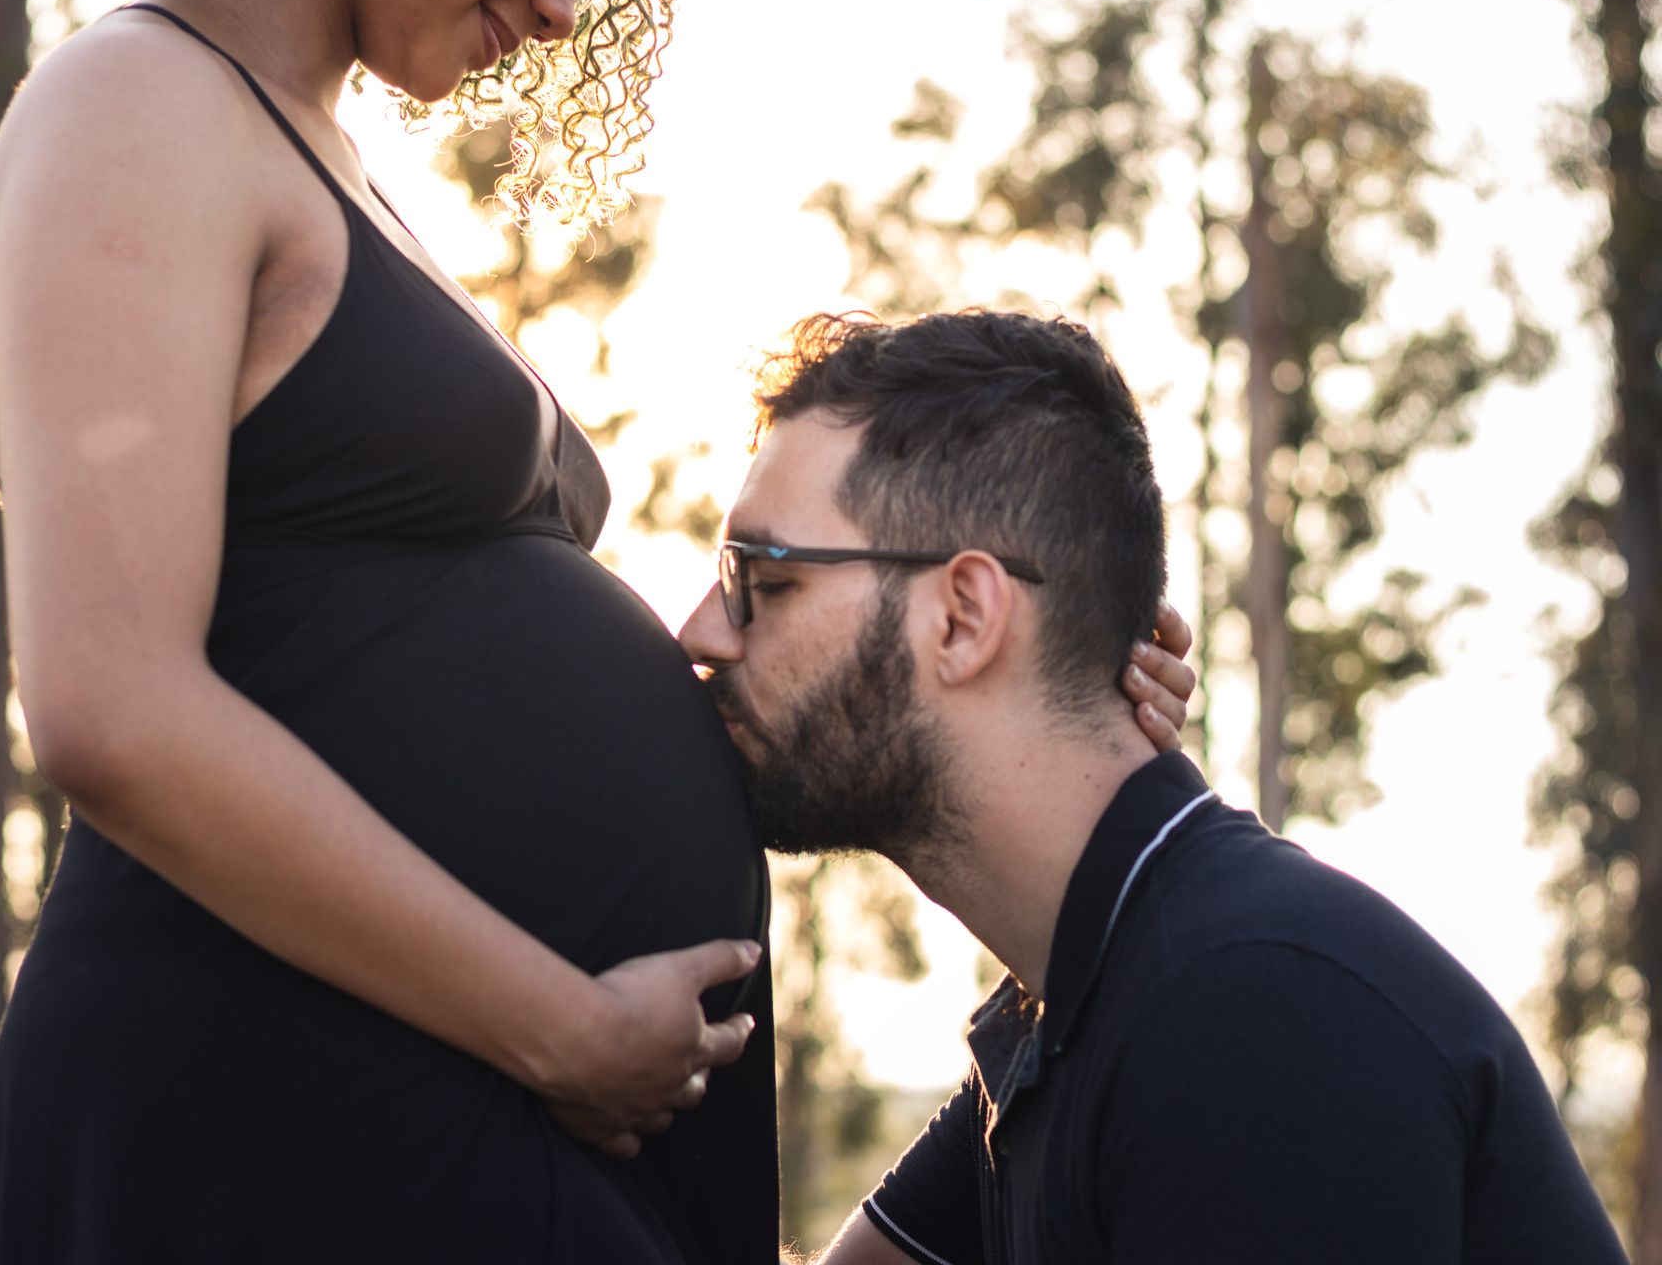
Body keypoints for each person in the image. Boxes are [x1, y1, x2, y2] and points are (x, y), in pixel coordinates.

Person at [0, 0, 1202, 1259]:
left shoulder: (305, 145)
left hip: (457, 1089)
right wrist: (556, 1024)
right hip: (276, 1078)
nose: (561, 11)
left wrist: (1046, 709)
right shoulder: (139, 97)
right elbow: (108, 702)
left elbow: (409, 674)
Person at [677, 309, 1627, 1265]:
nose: (703, 633)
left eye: (764, 575)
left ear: (963, 618)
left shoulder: (1246, 1021)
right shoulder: (1087, 1003)